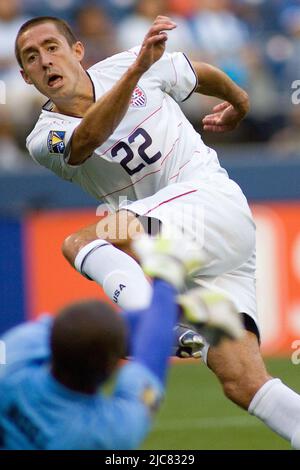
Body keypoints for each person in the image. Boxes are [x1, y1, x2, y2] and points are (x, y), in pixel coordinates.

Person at [14, 15, 300, 449]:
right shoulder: (44, 137)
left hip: (210, 202)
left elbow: (197, 72)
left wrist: (239, 102)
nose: (44, 61)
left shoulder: (135, 63)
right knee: (242, 380)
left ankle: (150, 320)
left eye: (52, 47)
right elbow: (88, 139)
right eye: (31, 58)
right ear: (25, 76)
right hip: (189, 249)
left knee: (81, 242)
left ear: (77, 51)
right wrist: (136, 72)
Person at [0, 235, 208, 450]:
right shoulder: (102, 434)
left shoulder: (14, 353)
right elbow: (149, 357)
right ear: (113, 366)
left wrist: (172, 308)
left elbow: (86, 332)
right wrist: (165, 282)